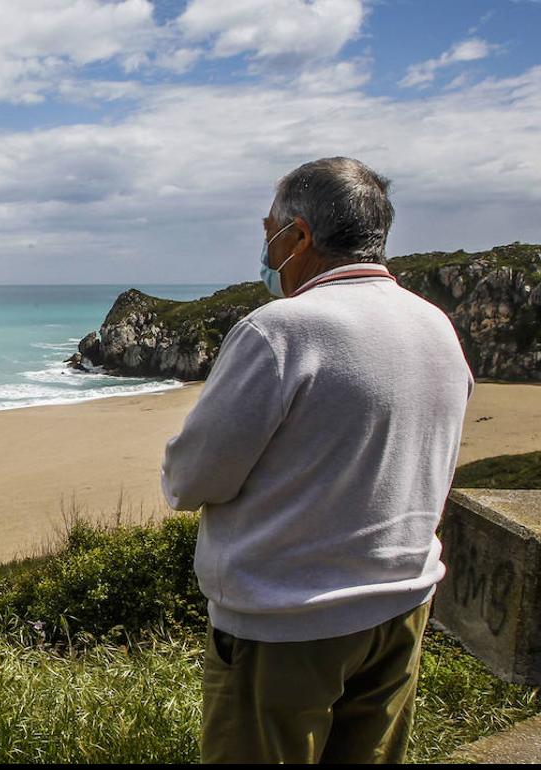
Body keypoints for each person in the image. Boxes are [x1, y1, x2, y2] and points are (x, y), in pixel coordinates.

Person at [160, 157, 474, 764]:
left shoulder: (281, 331)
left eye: (268, 233)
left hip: (285, 624)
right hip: (401, 608)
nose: (266, 253)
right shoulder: (435, 325)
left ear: (298, 235)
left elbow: (194, 477)